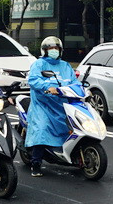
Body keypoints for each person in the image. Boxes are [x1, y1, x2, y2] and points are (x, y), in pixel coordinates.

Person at [25, 36, 78, 177]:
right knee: (42, 129)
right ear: (45, 51)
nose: (54, 51)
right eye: (51, 48)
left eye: (56, 48)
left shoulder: (66, 66)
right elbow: (33, 80)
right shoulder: (39, 64)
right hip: (44, 105)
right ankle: (35, 164)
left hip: (63, 105)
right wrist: (49, 87)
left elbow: (74, 82)